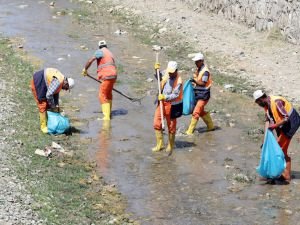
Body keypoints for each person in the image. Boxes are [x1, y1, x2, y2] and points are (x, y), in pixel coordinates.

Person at [253, 90, 300, 182]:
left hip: (291, 123)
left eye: (258, 102)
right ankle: (284, 174)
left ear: (261, 99)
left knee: (278, 149)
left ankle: (283, 176)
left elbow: (286, 117)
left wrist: (274, 126)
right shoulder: (266, 106)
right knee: (280, 149)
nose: (258, 104)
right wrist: (265, 140)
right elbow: (268, 121)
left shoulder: (276, 102)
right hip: (282, 125)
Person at [31, 68, 74, 133]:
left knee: (48, 104)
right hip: (38, 81)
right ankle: (43, 127)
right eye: (66, 88)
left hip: (43, 81)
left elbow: (55, 93)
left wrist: (56, 106)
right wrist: (53, 106)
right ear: (66, 83)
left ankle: (48, 122)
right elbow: (49, 95)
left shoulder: (61, 80)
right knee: (42, 104)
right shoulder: (58, 82)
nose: (65, 90)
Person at [82, 40, 117, 120]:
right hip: (114, 76)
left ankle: (106, 117)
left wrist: (85, 69)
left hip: (106, 76)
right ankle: (109, 113)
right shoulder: (110, 52)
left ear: (99, 47)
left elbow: (91, 60)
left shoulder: (100, 51)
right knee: (108, 93)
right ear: (106, 46)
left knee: (102, 95)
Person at [152, 61, 183, 155]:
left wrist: (165, 97)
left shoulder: (179, 81)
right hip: (161, 102)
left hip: (172, 105)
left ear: (176, 71)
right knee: (157, 123)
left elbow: (176, 94)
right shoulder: (167, 72)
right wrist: (156, 70)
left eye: (172, 72)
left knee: (171, 126)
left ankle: (170, 145)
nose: (170, 73)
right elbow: (159, 78)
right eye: (169, 71)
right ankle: (160, 144)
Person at [185, 52, 214, 135]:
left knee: (196, 112)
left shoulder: (205, 72)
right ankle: (210, 126)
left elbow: (203, 83)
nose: (196, 63)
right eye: (195, 61)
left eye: (197, 61)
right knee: (200, 111)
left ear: (202, 61)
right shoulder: (199, 69)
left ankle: (189, 131)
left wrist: (195, 81)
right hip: (198, 94)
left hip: (204, 95)